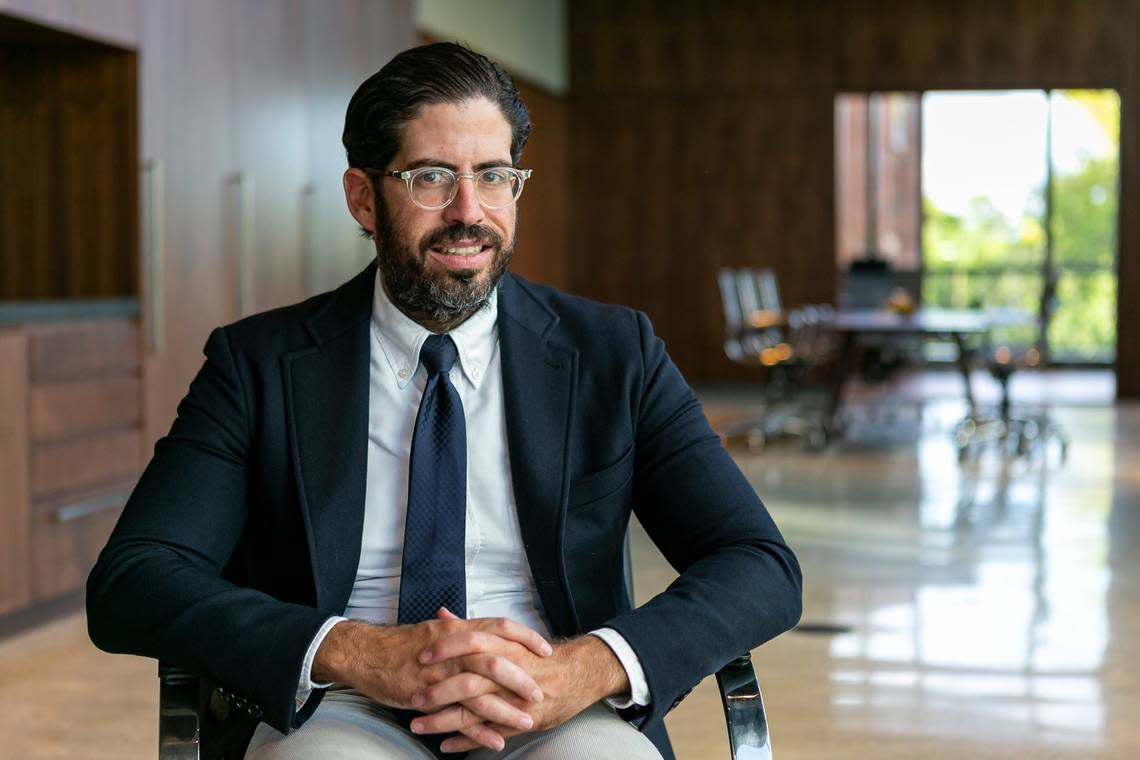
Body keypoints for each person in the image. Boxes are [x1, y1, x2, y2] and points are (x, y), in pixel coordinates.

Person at [86, 43, 802, 760]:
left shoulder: (614, 353)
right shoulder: (260, 366)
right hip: (340, 706)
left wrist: (590, 666)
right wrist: (355, 650)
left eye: (493, 176)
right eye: (431, 177)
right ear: (364, 198)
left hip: (554, 703)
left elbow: (758, 563)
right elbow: (134, 579)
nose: (469, 212)